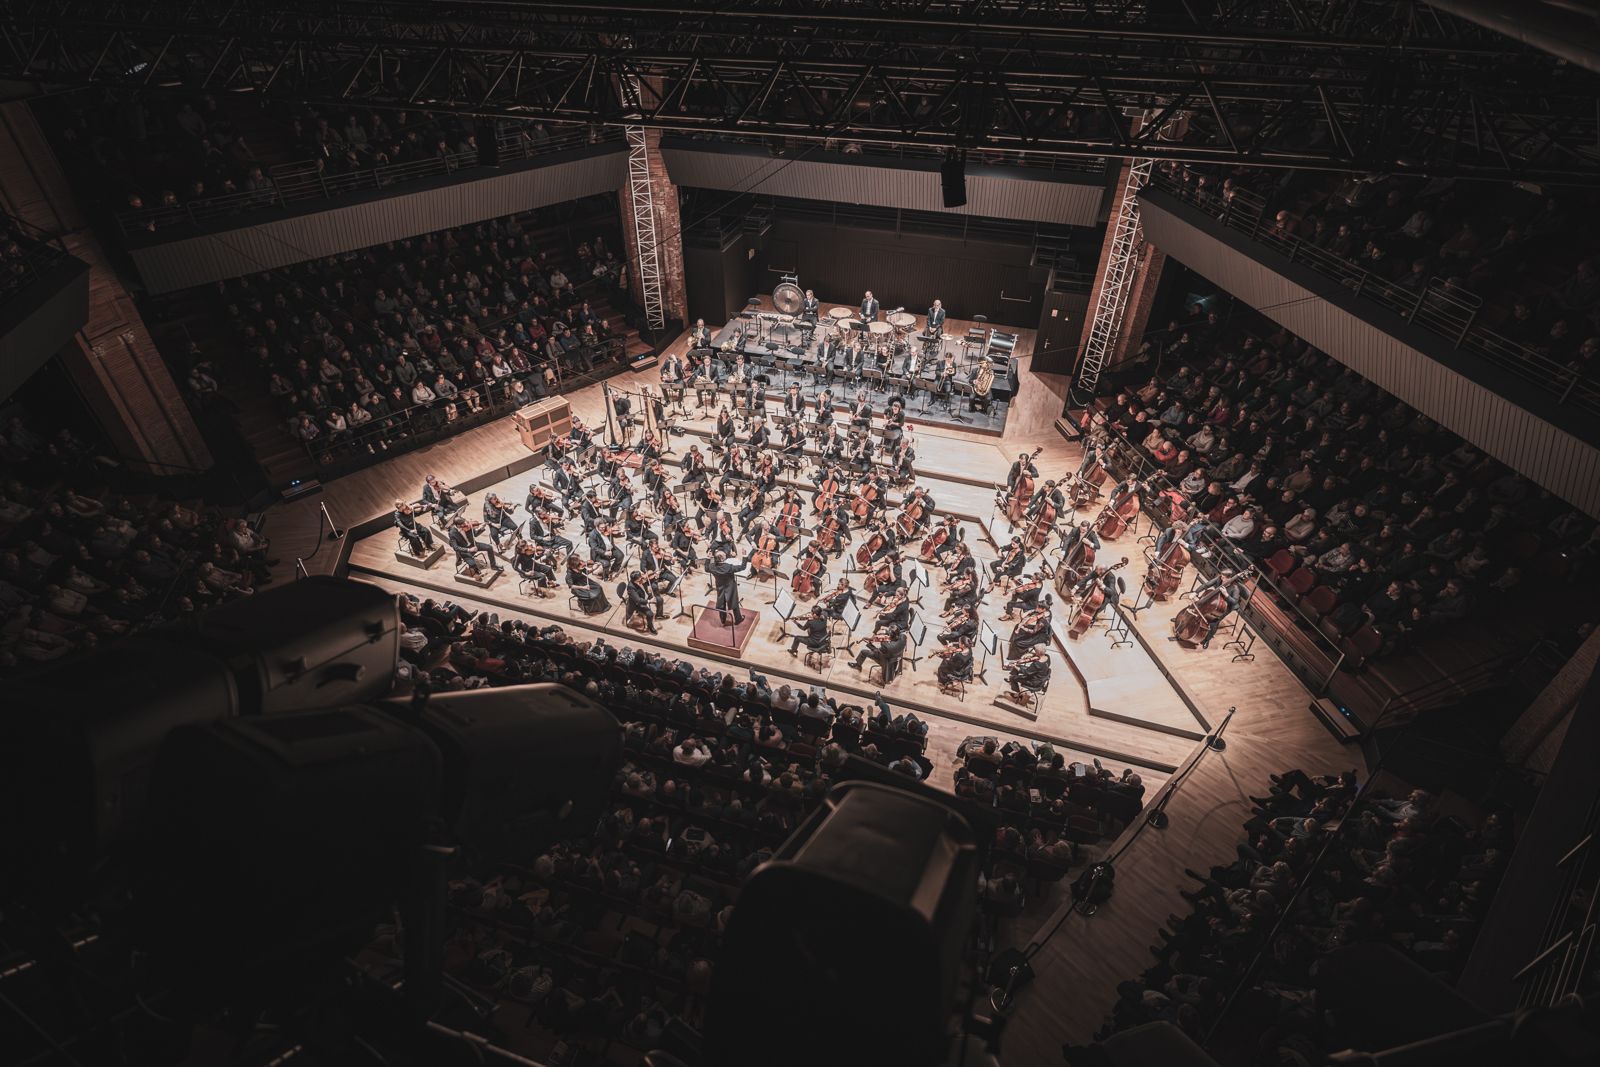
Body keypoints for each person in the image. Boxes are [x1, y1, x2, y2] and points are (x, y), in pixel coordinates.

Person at [709, 549, 750, 626]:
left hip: (720, 587)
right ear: (721, 558)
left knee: (721, 603)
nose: (725, 555)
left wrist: (708, 558)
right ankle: (738, 619)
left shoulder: (712, 566)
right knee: (734, 602)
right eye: (724, 555)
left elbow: (706, 568)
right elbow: (742, 567)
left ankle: (723, 620)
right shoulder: (728, 567)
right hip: (730, 587)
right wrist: (744, 556)